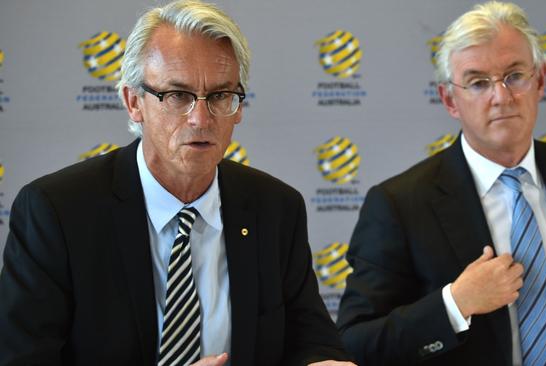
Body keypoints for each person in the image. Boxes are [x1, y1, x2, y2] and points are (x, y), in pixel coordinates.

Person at [0, 1, 355, 365]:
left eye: (219, 96)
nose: (201, 119)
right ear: (133, 102)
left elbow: (311, 340)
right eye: (178, 96)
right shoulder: (57, 213)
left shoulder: (275, 207)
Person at [336, 2, 546, 365]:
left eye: (515, 75)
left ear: (541, 80)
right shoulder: (400, 203)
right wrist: (456, 303)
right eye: (478, 83)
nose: (501, 96)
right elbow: (355, 341)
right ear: (450, 100)